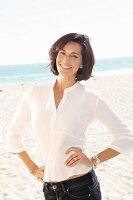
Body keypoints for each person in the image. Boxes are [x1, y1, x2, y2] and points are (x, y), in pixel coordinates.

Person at [7, 33, 133, 200]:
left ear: (82, 63)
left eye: (74, 56)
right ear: (56, 55)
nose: (65, 60)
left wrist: (94, 159)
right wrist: (31, 167)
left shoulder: (90, 98)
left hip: (82, 189)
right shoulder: (36, 93)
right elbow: (13, 136)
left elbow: (126, 137)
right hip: (49, 190)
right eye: (62, 53)